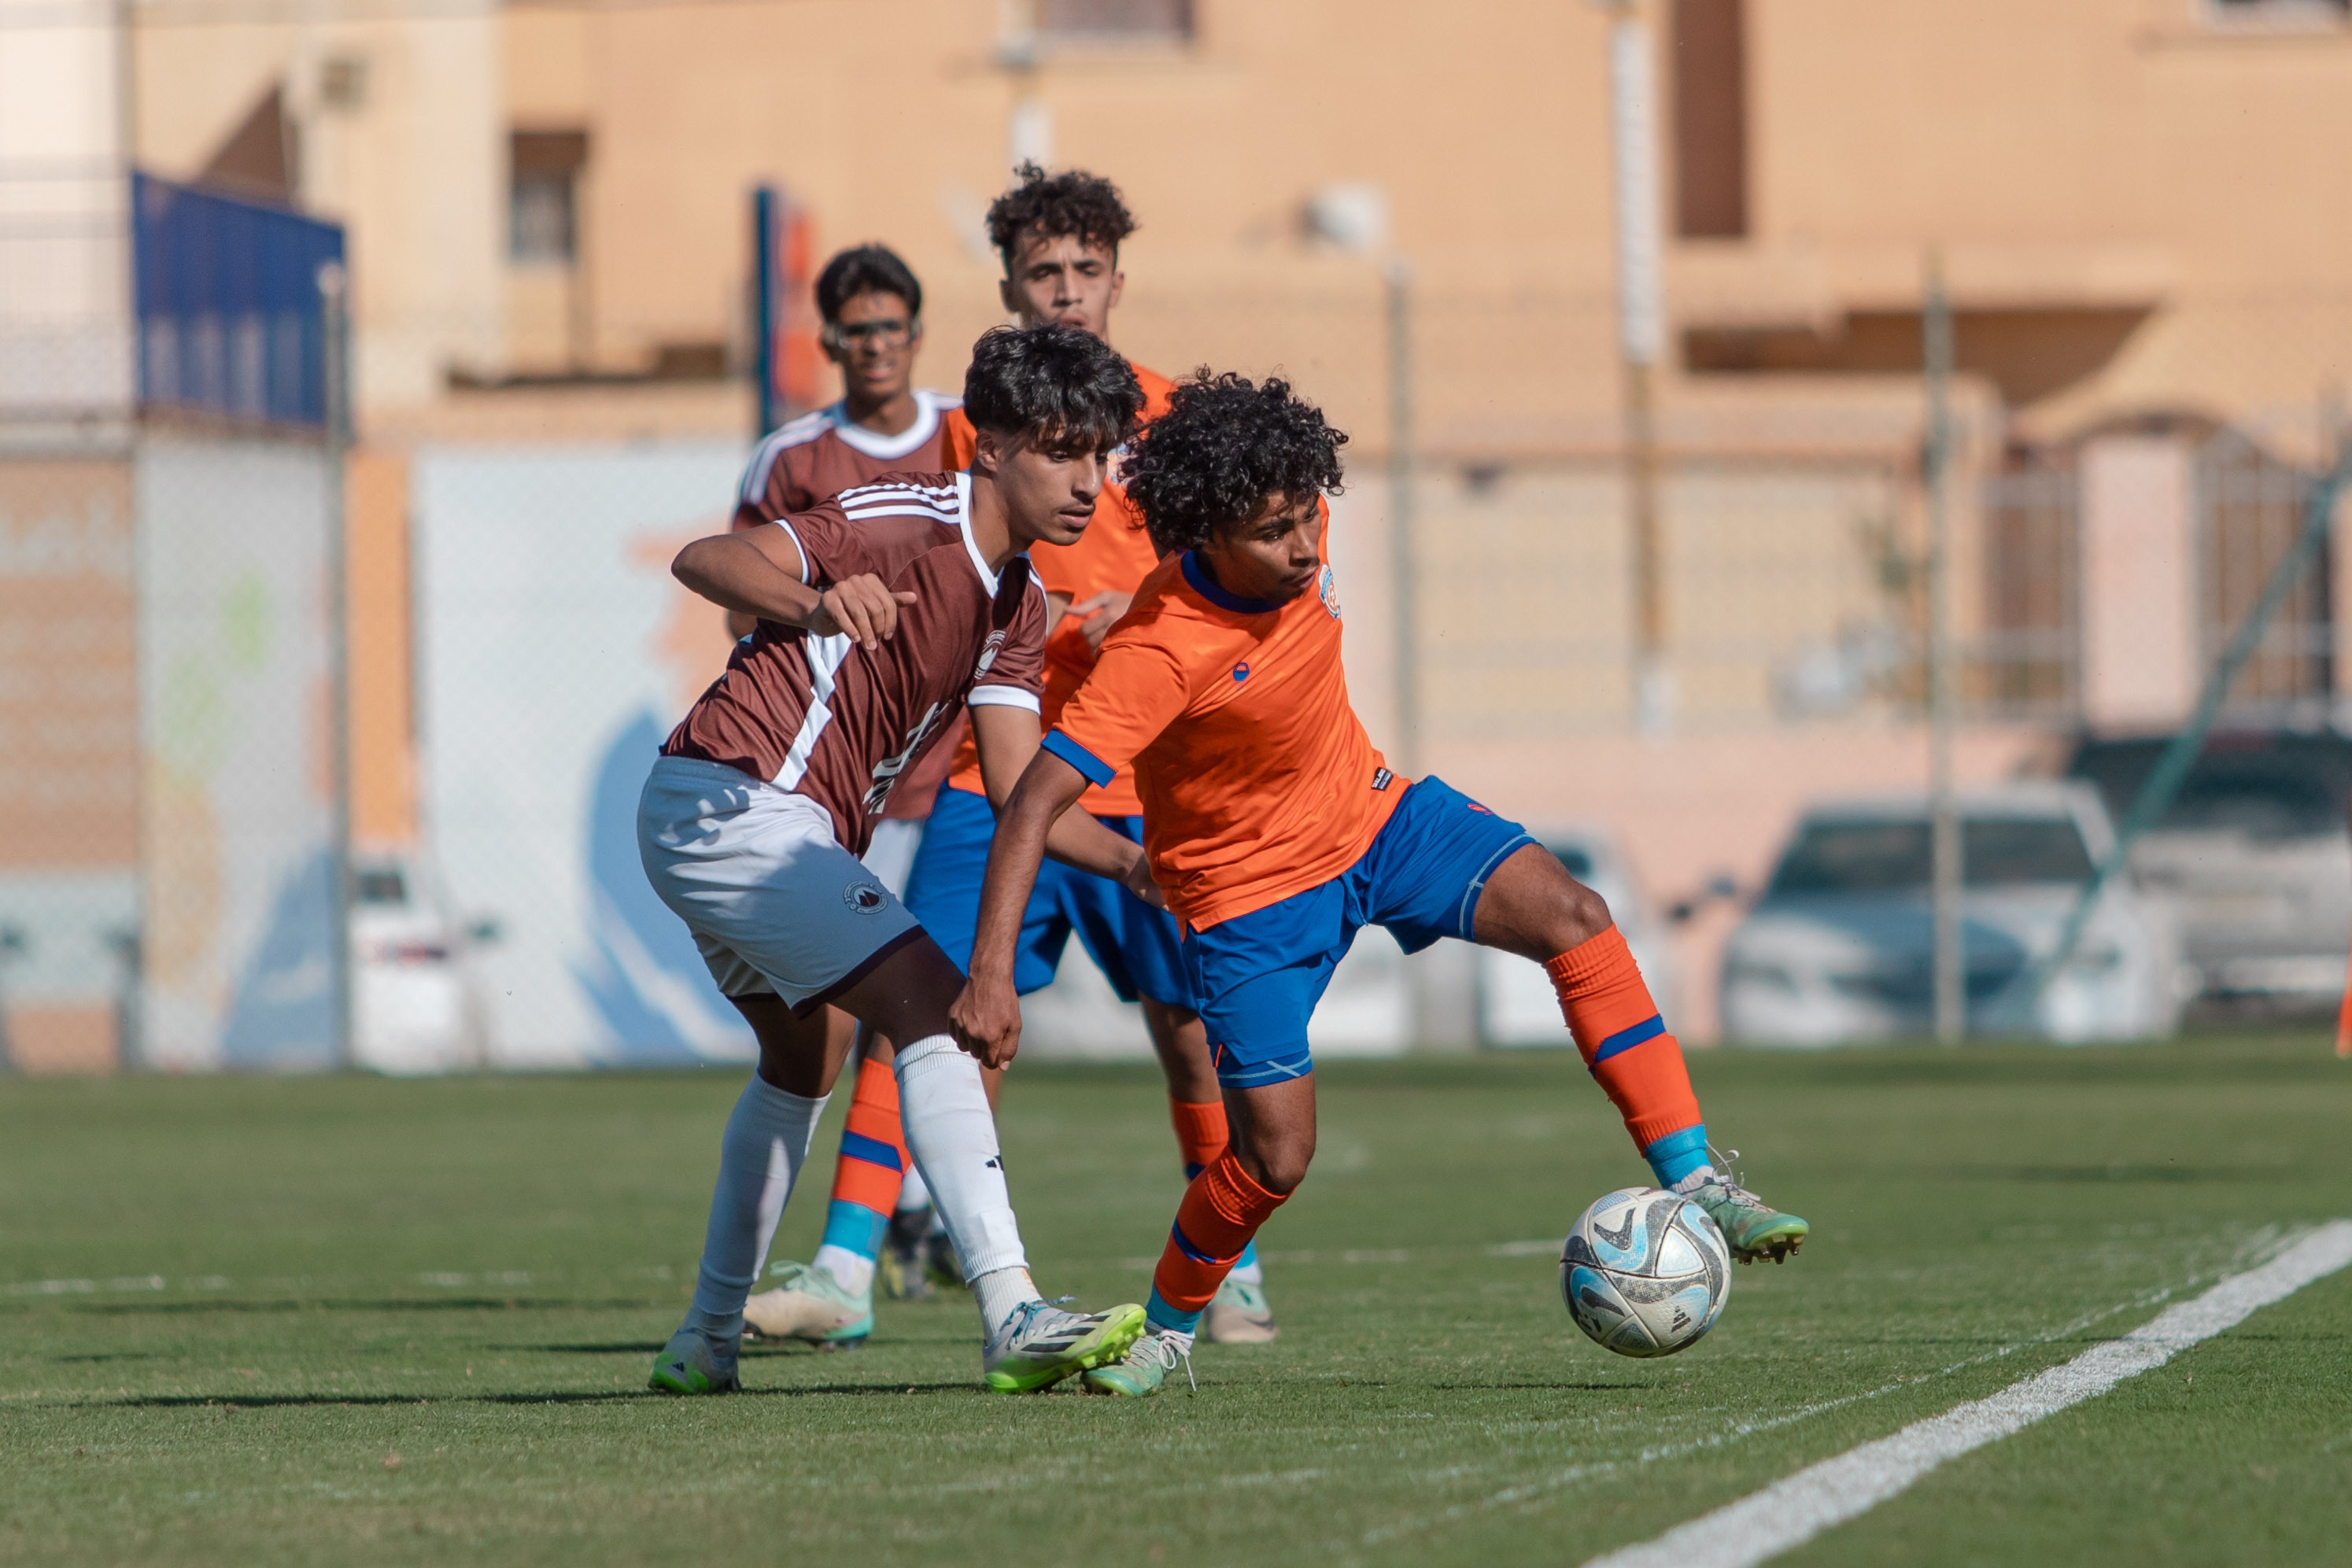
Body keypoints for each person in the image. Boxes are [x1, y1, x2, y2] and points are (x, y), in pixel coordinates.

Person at [948, 371, 1811, 1397]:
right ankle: (1170, 1330)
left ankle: (1699, 1179)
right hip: (1252, 906)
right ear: (1211, 532)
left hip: (1378, 820)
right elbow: (1031, 801)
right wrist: (992, 972)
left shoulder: (1289, 541)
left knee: (1576, 917)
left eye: (1312, 513)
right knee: (1274, 1158)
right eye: (1277, 531)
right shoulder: (1159, 648)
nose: (1309, 547)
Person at [751, 165, 1283, 1350]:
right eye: (1043, 271)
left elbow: (1240, 577)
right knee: (921, 995)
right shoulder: (964, 431)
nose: (1065, 291)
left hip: (1138, 775)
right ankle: (845, 1268)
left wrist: (1132, 615)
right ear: (1007, 284)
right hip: (995, 769)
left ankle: (1229, 1263)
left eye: (1085, 270)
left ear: (1117, 280)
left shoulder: (1178, 421)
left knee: (1187, 1020)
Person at [640, 323, 1155, 1396]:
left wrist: (1135, 864)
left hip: (751, 827)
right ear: (989, 447)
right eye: (1061, 451)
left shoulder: (1015, 604)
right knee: (934, 1006)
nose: (1086, 481)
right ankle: (1012, 1309)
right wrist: (817, 600)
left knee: (803, 1066)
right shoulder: (900, 517)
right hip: (734, 803)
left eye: (1100, 456)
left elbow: (1018, 790)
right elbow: (710, 559)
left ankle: (704, 1339)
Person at [731, 243, 967, 887]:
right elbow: (739, 612)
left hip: (965, 764)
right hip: (846, 764)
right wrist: (825, 609)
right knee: (859, 972)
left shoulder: (972, 432)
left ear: (915, 334)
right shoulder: (791, 458)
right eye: (857, 330)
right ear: (829, 343)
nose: (875, 344)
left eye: (889, 326)